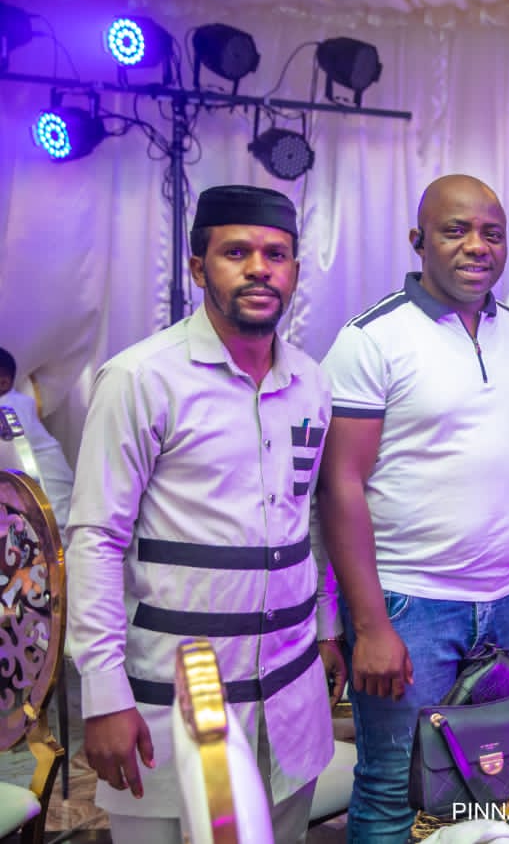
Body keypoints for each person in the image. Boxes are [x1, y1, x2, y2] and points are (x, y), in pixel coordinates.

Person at [66, 185, 344, 843]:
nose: (259, 269)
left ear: (295, 271)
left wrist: (327, 625)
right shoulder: (142, 379)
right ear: (198, 267)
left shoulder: (311, 381)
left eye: (276, 254)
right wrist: (103, 694)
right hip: (173, 697)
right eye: (236, 252)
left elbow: (308, 517)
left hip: (289, 692)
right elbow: (95, 539)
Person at [317, 174, 509, 843]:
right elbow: (339, 486)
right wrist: (368, 624)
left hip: (504, 602)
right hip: (409, 606)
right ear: (418, 241)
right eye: (455, 231)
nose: (477, 246)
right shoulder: (372, 338)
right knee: (394, 786)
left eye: (492, 233)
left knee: (488, 782)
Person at [0, 347, 74, 528]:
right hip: (36, 496)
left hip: (49, 497)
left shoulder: (10, 408)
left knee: (56, 536)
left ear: (3, 383)